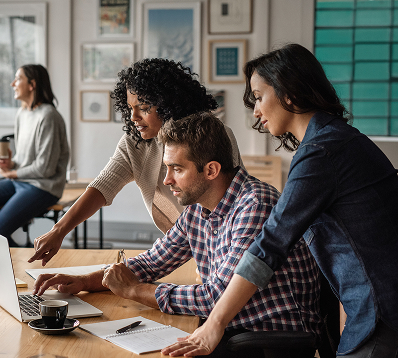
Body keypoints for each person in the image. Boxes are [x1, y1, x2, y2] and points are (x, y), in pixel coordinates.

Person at [163, 44, 398, 358]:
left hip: (382, 310)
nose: (257, 112)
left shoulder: (322, 152)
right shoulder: (333, 141)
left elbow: (270, 244)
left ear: (290, 93)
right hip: (372, 306)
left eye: (259, 97)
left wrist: (215, 322)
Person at [32, 112, 321, 356]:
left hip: (269, 338)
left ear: (211, 170)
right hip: (233, 328)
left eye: (177, 169)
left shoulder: (254, 205)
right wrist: (86, 281)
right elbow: (151, 262)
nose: (167, 180)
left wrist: (134, 290)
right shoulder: (200, 207)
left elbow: (215, 298)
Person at [29, 58, 242, 265]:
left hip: (223, 244)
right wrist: (58, 231)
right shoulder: (135, 142)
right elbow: (103, 186)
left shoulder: (212, 136)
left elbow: (230, 204)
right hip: (179, 246)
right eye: (130, 107)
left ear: (169, 104)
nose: (133, 117)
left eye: (143, 107)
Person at [0, 64, 69, 247]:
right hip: (20, 182)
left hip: (43, 187)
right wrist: (10, 164)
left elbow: (45, 168)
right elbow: (24, 160)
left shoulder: (49, 116)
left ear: (32, 84)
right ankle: (15, 252)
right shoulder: (22, 114)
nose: (12, 84)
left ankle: (11, 254)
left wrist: (12, 173)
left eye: (18, 79)